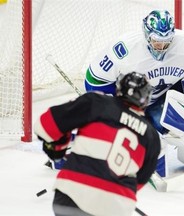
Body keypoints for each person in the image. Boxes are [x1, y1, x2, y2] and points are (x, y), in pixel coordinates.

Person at [85, 10, 184, 177]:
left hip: (160, 101)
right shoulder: (125, 49)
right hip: (130, 104)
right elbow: (94, 79)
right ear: (147, 35)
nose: (161, 48)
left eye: (166, 42)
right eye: (157, 42)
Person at [34, 72, 160, 216]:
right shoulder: (152, 136)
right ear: (146, 98)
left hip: (72, 196)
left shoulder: (97, 102)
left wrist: (58, 148)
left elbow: (44, 126)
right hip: (116, 206)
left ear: (118, 89)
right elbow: (139, 182)